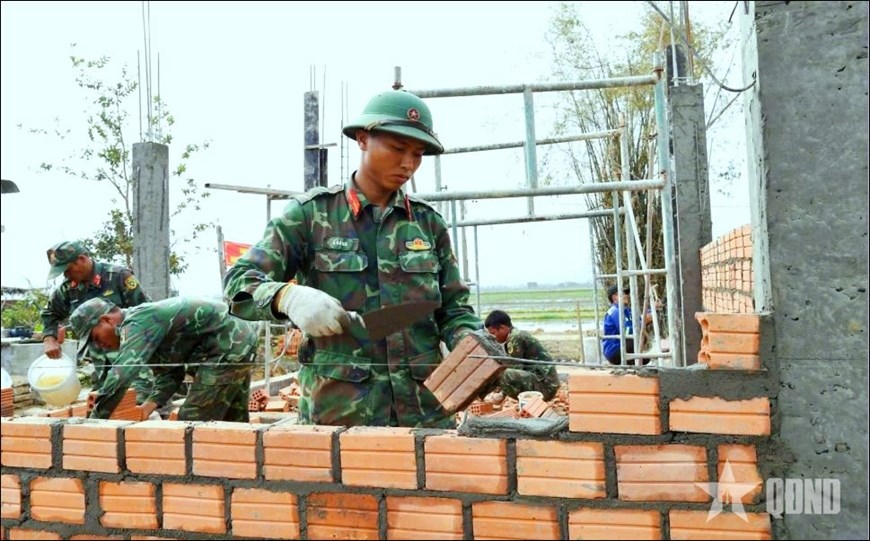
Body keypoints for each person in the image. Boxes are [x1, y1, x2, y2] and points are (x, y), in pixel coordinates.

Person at [223, 89, 484, 429]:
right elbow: (239, 282)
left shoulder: (427, 224)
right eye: (398, 148)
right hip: (338, 418)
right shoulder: (310, 216)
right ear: (363, 139)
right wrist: (286, 297)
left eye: (418, 154)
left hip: (424, 415)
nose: (408, 164)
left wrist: (472, 343)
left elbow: (454, 309)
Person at [70, 296, 259, 421]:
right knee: (233, 420)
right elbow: (170, 375)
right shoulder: (145, 328)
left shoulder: (138, 322)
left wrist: (95, 421)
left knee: (190, 422)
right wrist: (146, 409)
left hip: (229, 344)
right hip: (234, 344)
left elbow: (123, 374)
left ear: (107, 320)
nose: (99, 346)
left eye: (95, 338)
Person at [39, 240, 155, 403]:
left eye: (67, 269)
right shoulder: (67, 289)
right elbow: (49, 312)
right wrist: (49, 338)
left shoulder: (119, 277)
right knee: (102, 406)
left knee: (143, 403)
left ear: (81, 259)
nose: (65, 275)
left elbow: (147, 313)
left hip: (132, 361)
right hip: (101, 366)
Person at [484, 310, 561, 401]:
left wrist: (501, 393)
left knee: (503, 374)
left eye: (493, 334)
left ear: (502, 328)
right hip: (543, 383)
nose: (493, 338)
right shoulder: (515, 335)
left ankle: (525, 402)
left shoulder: (515, 338)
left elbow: (515, 369)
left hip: (545, 387)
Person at [602, 284, 651, 365]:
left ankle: (630, 362)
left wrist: (652, 310)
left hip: (623, 345)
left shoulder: (627, 311)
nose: (627, 296)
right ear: (614, 297)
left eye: (627, 293)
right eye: (623, 293)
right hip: (614, 349)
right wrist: (643, 322)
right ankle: (626, 361)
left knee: (646, 359)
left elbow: (640, 319)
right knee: (639, 337)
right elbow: (627, 331)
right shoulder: (615, 312)